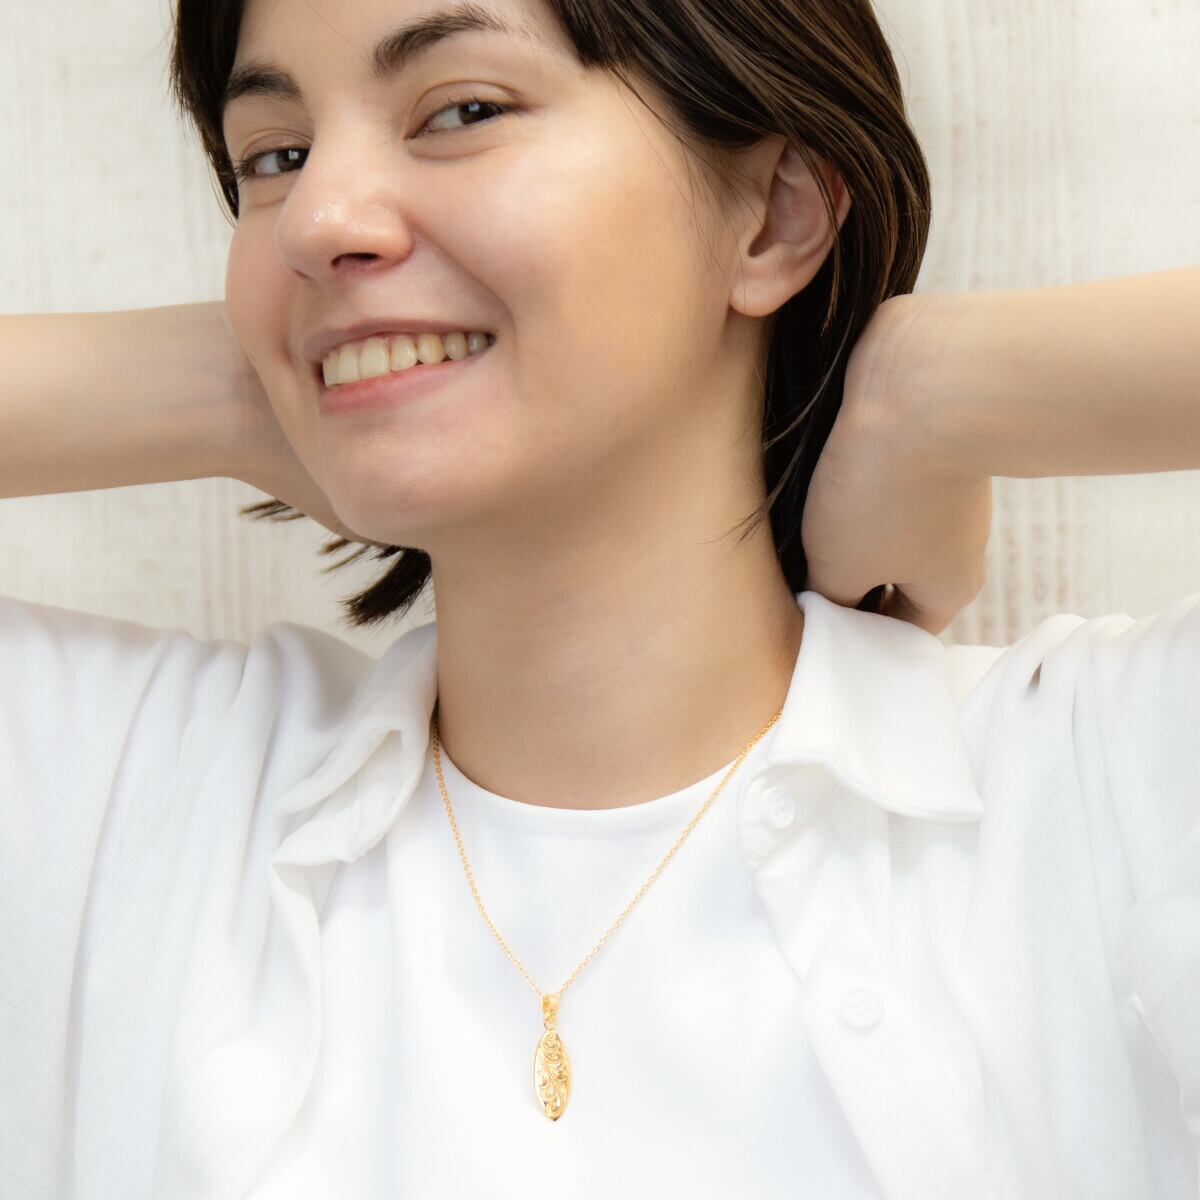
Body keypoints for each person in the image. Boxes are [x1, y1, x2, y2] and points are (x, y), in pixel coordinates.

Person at [1, 0, 1197, 1198]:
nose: (317, 221)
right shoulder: (131, 799)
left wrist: (935, 392)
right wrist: (229, 384)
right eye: (277, 156)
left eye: (463, 110)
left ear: (774, 215)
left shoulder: (1101, 792)